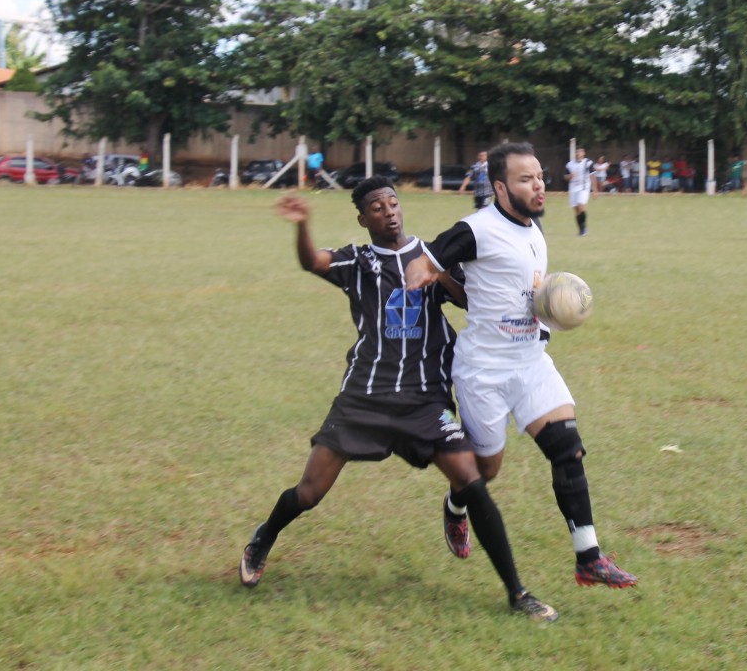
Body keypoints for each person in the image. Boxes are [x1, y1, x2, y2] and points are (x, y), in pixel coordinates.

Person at [238, 178, 558, 622]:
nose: (389, 212)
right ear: (362, 218)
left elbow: (469, 300)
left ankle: (516, 593)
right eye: (377, 207)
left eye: (393, 203)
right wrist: (302, 224)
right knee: (309, 492)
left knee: (472, 482)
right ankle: (263, 537)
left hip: (424, 399)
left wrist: (439, 271)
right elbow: (312, 261)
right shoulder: (358, 261)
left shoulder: (431, 256)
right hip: (365, 396)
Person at [405, 142, 638, 589]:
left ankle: (589, 557)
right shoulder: (476, 229)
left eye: (540, 177)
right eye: (526, 179)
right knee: (485, 471)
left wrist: (549, 317)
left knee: (567, 449)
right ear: (500, 187)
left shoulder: (535, 230)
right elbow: (428, 258)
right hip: (483, 371)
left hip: (531, 362)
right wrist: (422, 274)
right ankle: (455, 507)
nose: (539, 186)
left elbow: (530, 292)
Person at [564, 146, 595, 236]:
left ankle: (584, 228)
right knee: (576, 210)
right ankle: (581, 229)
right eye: (577, 152)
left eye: (580, 151)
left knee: (580, 205)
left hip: (584, 187)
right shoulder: (570, 164)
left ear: (584, 153)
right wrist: (569, 176)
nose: (578, 153)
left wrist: (595, 189)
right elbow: (565, 176)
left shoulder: (588, 163)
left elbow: (592, 175)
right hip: (573, 188)